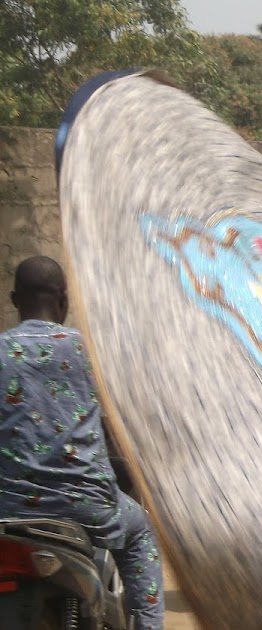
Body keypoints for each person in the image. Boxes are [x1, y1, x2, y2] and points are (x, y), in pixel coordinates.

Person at [0, 256, 165, 630]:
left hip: (8, 509)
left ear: (14, 300)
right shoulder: (89, 352)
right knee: (140, 534)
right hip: (88, 509)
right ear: (64, 300)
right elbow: (125, 423)